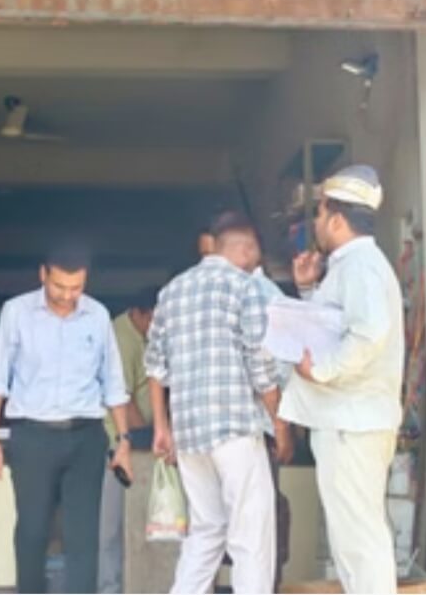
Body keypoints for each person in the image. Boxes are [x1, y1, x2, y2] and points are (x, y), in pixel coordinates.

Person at [145, 212, 291, 594]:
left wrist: (162, 427)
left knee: (206, 532)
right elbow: (260, 367)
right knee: (250, 538)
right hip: (235, 430)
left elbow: (155, 366)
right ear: (246, 249)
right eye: (255, 252)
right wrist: (280, 424)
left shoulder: (172, 291)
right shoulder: (244, 288)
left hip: (189, 436)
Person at [0, 244, 135, 594]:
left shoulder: (97, 315)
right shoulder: (16, 312)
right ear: (43, 274)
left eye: (76, 288)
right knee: (32, 531)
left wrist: (124, 441)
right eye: (59, 287)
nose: (67, 296)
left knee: (83, 535)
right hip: (32, 436)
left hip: (86, 437)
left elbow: (113, 383)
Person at [281, 164, 404, 594]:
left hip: (353, 423)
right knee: (353, 540)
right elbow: (333, 327)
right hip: (347, 421)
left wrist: (323, 369)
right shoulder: (350, 266)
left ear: (336, 219)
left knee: (360, 542)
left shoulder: (361, 266)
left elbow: (369, 332)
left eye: (319, 213)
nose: (314, 223)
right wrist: (307, 291)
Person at [200, 215, 294, 589]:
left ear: (246, 249)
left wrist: (280, 423)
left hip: (251, 427)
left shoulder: (259, 293)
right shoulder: (238, 291)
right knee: (244, 529)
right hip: (240, 428)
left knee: (241, 528)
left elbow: (274, 365)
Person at [97, 287, 158, 594]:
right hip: (117, 445)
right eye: (156, 320)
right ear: (140, 313)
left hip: (137, 445)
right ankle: (110, 588)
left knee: (134, 524)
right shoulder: (122, 338)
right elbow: (123, 399)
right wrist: (150, 436)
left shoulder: (143, 337)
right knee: (111, 527)